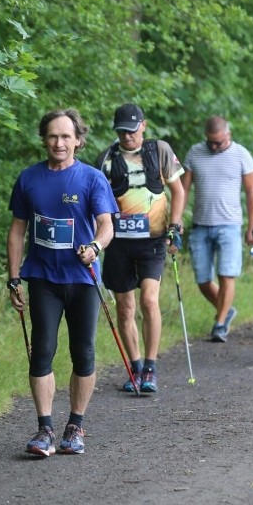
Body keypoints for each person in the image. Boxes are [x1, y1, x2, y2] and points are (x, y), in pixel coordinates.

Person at [6, 108, 118, 457]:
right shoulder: (29, 178)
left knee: (82, 352)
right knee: (42, 351)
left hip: (82, 279)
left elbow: (106, 224)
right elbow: (17, 231)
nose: (59, 142)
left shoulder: (91, 178)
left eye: (66, 136)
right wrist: (13, 278)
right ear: (44, 139)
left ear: (78, 140)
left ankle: (75, 425)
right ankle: (44, 430)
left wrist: (96, 247)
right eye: (53, 136)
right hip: (43, 277)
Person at [95, 103, 186, 393]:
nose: (127, 136)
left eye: (132, 130)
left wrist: (175, 226)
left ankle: (150, 368)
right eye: (122, 132)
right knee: (125, 307)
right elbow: (95, 200)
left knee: (148, 300)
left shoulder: (159, 150)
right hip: (119, 243)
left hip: (153, 240)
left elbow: (179, 190)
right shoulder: (106, 159)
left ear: (143, 126)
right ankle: (134, 368)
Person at [181, 116, 253, 342]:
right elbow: (183, 190)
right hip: (200, 225)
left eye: (219, 142)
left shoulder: (242, 155)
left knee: (226, 275)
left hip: (230, 225)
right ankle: (227, 310)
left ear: (229, 136)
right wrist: (175, 220)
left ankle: (220, 322)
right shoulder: (195, 153)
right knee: (203, 279)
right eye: (211, 142)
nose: (214, 147)